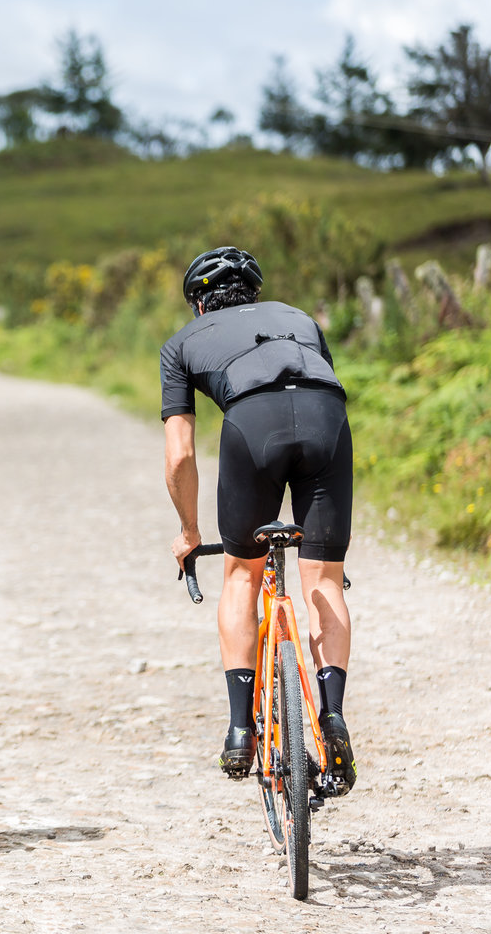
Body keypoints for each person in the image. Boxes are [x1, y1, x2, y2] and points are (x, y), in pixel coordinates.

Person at [159, 247, 356, 796]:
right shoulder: (299, 319)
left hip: (252, 422)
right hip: (327, 418)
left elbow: (179, 455)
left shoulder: (182, 343)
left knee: (243, 574)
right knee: (324, 577)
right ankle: (333, 715)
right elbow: (318, 387)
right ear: (255, 293)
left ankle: (241, 730)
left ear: (200, 305)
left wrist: (191, 533)